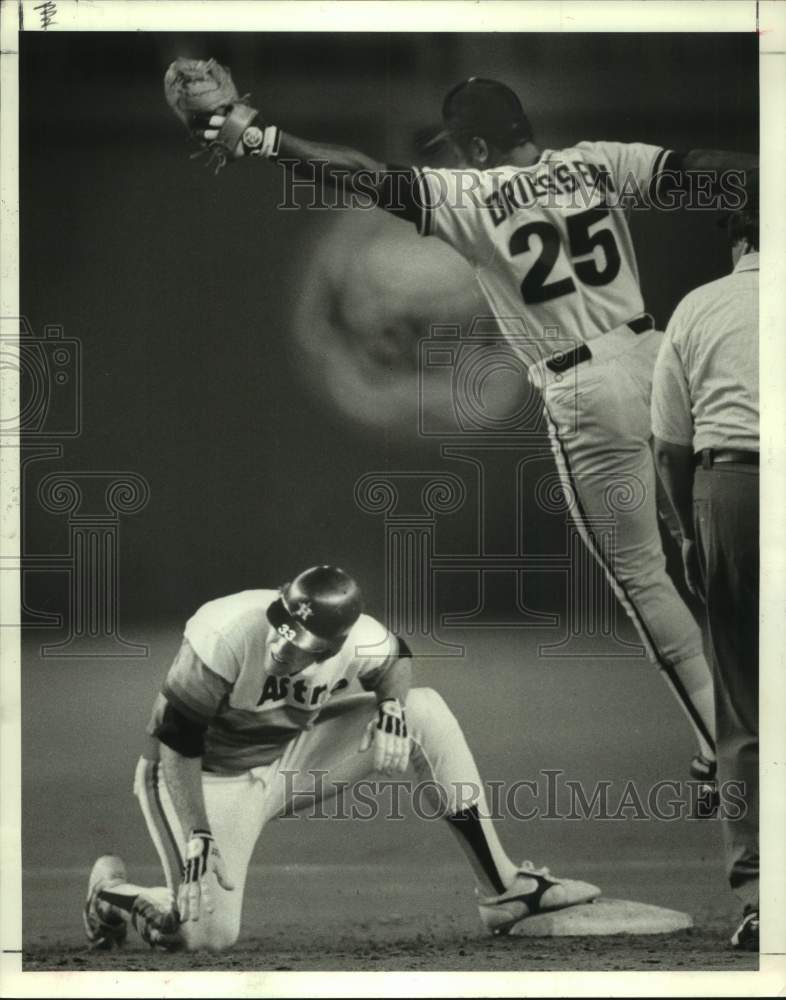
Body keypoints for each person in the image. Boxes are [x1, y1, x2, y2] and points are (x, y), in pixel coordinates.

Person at [195, 76, 759, 787]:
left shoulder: (470, 197)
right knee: (720, 556)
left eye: (462, 148)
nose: (457, 159)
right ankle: (747, 720)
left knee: (645, 580)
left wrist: (264, 137)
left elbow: (365, 177)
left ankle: (722, 749)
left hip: (584, 384)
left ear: (482, 145)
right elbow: (701, 172)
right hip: (657, 357)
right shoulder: (598, 161)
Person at [83, 565, 600, 952]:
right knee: (202, 936)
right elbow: (176, 745)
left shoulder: (359, 638)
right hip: (202, 779)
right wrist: (199, 831)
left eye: (303, 643)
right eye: (283, 628)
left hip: (286, 759)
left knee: (425, 712)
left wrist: (392, 707)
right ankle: (113, 892)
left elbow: (395, 656)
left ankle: (504, 888)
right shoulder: (225, 632)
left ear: (335, 646)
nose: (285, 648)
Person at [651, 176, 760, 952]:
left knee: (747, 709)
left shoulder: (699, 305)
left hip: (736, 490)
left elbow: (670, 447)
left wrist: (690, 536)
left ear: (738, 239)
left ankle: (761, 896)